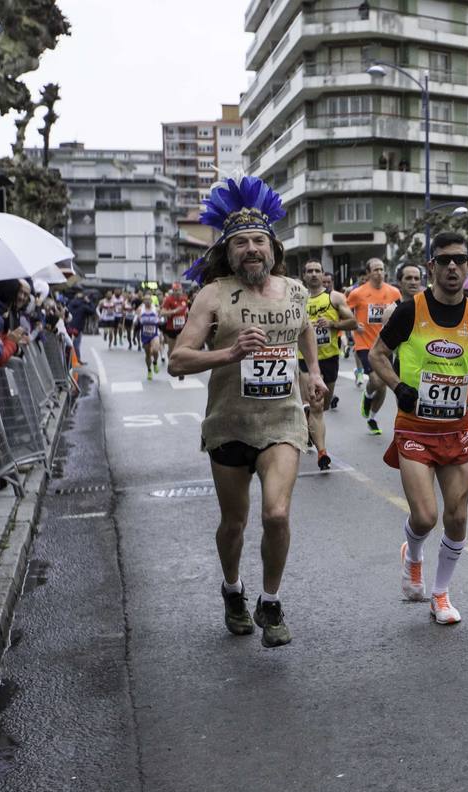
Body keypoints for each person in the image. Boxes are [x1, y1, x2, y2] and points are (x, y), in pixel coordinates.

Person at [169, 176, 326, 648]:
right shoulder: (213, 295)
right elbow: (178, 360)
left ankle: (271, 600)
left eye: (260, 241)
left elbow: (304, 333)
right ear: (229, 252)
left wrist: (313, 373)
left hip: (281, 420)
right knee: (234, 524)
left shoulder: (296, 291)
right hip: (229, 424)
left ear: (274, 249)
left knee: (276, 515)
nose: (252, 249)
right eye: (242, 243)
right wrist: (227, 354)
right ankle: (233, 589)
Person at [369, 234, 468, 625]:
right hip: (414, 426)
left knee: (457, 518)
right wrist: (398, 387)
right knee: (426, 517)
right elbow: (378, 353)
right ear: (431, 267)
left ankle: (441, 594)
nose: (452, 268)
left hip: (457, 429)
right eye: (444, 261)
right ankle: (413, 555)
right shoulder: (411, 310)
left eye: (459, 260)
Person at [299, 259, 357, 470]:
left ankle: (306, 420)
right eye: (309, 271)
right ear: (304, 275)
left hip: (329, 357)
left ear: (323, 275)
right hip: (303, 358)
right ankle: (322, 453)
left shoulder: (334, 297)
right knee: (316, 405)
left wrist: (332, 324)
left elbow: (353, 323)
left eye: (317, 271)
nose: (314, 274)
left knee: (323, 404)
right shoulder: (298, 299)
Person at [348, 258, 403, 435]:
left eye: (381, 269)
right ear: (368, 273)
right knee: (377, 381)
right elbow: (345, 310)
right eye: (375, 270)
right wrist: (353, 324)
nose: (379, 272)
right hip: (364, 343)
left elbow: (402, 313)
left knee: (384, 384)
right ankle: (368, 394)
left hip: (386, 344)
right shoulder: (358, 293)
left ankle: (372, 416)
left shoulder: (394, 292)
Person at [160, 284, 191, 379]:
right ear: (173, 291)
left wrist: (188, 314)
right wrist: (174, 311)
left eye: (179, 290)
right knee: (171, 351)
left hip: (181, 328)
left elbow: (187, 310)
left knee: (180, 348)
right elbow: (162, 312)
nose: (177, 292)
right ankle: (173, 363)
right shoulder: (168, 300)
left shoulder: (185, 299)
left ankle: (180, 369)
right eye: (175, 290)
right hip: (171, 328)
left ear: (182, 291)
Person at [136, 294, 162, 380]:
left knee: (155, 350)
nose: (147, 301)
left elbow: (161, 319)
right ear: (143, 301)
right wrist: (136, 321)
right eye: (145, 300)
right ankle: (149, 370)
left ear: (151, 301)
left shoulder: (156, 309)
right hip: (145, 334)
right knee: (147, 354)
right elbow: (137, 320)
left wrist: (160, 320)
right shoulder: (140, 309)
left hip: (154, 333)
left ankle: (155, 362)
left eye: (149, 300)